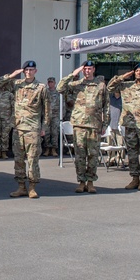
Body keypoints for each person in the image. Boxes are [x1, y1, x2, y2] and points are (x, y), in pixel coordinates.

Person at [0, 61, 51, 199]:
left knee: (32, 160)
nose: (28, 72)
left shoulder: (41, 87)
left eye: (31, 70)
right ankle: (21, 187)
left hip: (33, 129)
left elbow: (47, 110)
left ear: (35, 71)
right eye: (26, 70)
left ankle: (32, 187)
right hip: (18, 128)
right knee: (18, 159)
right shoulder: (17, 84)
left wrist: (44, 128)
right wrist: (12, 75)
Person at [58, 61, 109, 194]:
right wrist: (72, 74)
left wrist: (105, 124)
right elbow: (60, 88)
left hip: (94, 125)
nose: (87, 71)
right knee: (80, 155)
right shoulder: (76, 85)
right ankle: (81, 182)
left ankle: (90, 182)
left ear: (94, 69)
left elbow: (106, 106)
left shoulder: (101, 86)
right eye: (85, 69)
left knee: (93, 155)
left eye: (89, 69)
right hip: (79, 125)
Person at [42, 77, 60, 157]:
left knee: (55, 133)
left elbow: (62, 105)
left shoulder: (58, 93)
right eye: (49, 82)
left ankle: (54, 149)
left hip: (55, 115)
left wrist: (61, 116)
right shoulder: (45, 92)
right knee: (46, 133)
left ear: (55, 83)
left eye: (52, 82)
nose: (50, 84)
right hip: (46, 115)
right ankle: (47, 149)